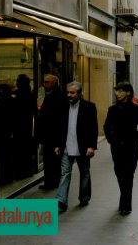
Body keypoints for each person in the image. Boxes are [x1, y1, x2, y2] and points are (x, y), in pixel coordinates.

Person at [104, 82, 138, 216]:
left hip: (131, 147)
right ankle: (124, 199)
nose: (117, 93)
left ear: (128, 92)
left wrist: (136, 139)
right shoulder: (112, 109)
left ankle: (125, 204)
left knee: (128, 174)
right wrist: (111, 140)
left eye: (120, 91)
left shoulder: (136, 108)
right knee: (119, 173)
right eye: (116, 91)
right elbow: (106, 126)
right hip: (116, 146)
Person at [55, 81, 98, 212]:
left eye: (72, 93)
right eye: (68, 92)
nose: (69, 95)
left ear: (80, 93)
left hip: (83, 147)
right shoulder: (62, 106)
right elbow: (58, 128)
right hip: (66, 147)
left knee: (84, 173)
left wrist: (91, 146)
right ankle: (61, 201)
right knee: (64, 174)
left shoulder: (89, 107)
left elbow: (93, 128)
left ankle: (84, 197)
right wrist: (57, 144)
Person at [37, 74, 64, 190]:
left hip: (53, 134)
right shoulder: (50, 95)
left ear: (53, 83)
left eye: (46, 82)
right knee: (49, 159)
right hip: (49, 133)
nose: (44, 84)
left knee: (52, 160)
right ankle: (50, 181)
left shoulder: (57, 96)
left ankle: (52, 181)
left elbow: (56, 118)